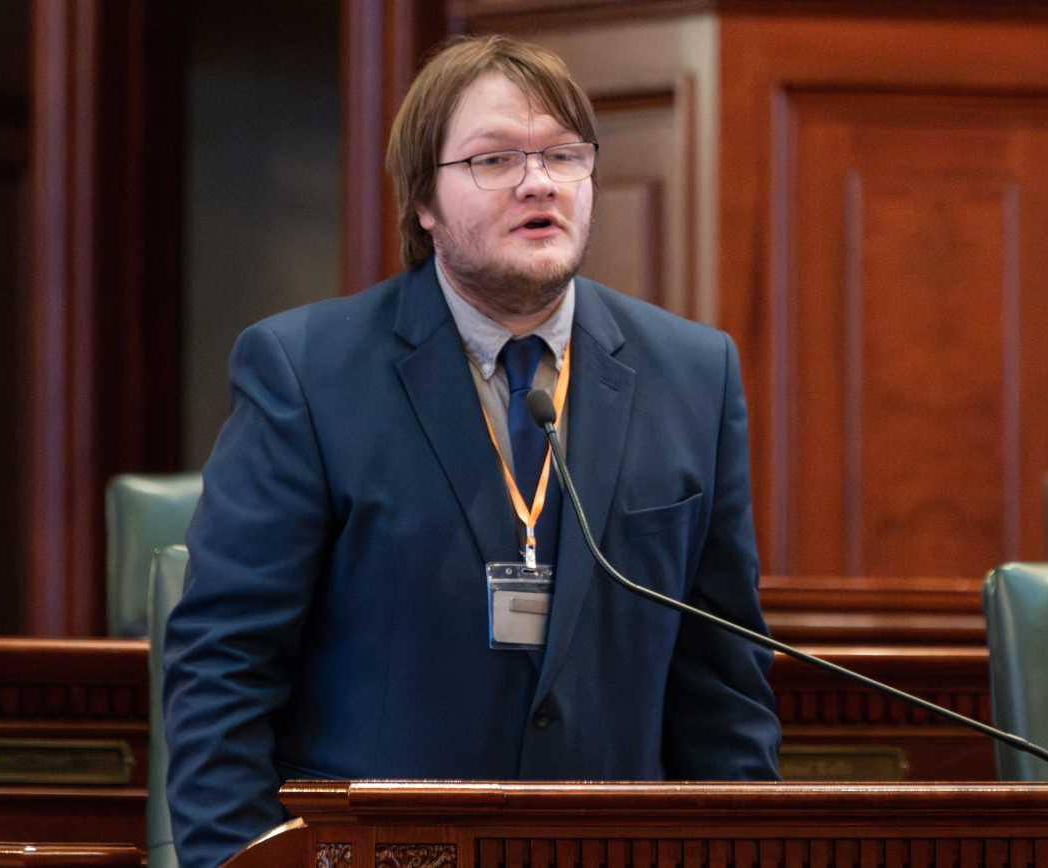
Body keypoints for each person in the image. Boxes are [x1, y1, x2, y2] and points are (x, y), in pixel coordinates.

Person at [163, 33, 781, 868]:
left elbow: (723, 682)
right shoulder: (306, 372)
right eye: (494, 159)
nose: (539, 182)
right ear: (422, 200)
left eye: (564, 154)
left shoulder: (693, 374)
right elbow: (223, 669)